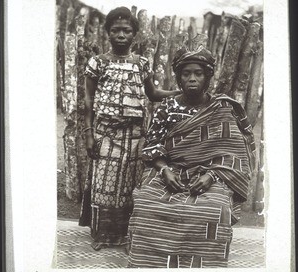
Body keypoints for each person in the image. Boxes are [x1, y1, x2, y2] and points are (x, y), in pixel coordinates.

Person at [127, 45, 256, 268]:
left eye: (198, 73)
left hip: (212, 174)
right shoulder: (167, 106)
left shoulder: (221, 108)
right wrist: (164, 170)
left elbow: (233, 152)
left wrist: (211, 177)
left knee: (214, 208)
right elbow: (152, 144)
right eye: (186, 74)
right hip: (171, 170)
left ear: (208, 77)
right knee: (147, 203)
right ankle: (152, 261)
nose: (192, 79)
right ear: (178, 78)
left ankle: (205, 262)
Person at [78, 6, 179, 251]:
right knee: (104, 183)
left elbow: (153, 94)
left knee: (128, 185)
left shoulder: (142, 64)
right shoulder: (98, 63)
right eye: (116, 31)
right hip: (105, 133)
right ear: (108, 34)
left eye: (126, 30)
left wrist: (180, 92)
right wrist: (89, 134)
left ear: (135, 34)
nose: (121, 35)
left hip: (134, 135)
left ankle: (124, 235)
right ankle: (102, 235)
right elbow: (88, 101)